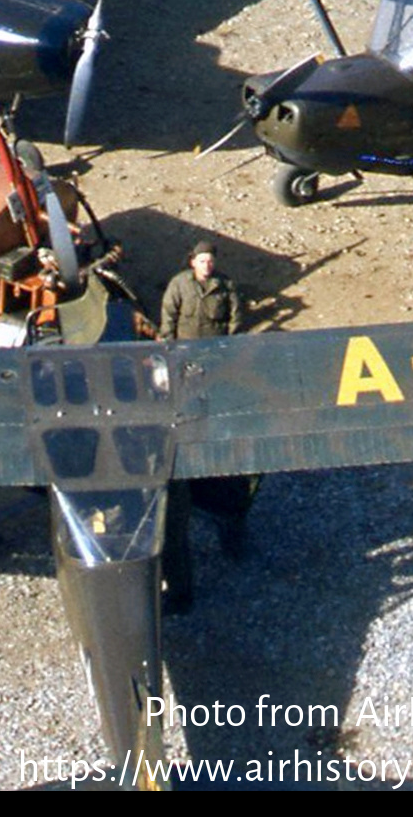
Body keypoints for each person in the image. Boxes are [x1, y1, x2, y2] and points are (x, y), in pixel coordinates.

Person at [158, 241, 253, 613]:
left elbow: (235, 319)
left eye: (211, 260)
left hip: (214, 362)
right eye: (201, 260)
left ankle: (234, 540)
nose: (207, 265)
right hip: (184, 360)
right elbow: (169, 316)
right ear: (191, 262)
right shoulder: (180, 286)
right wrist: (168, 347)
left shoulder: (225, 287)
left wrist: (227, 353)